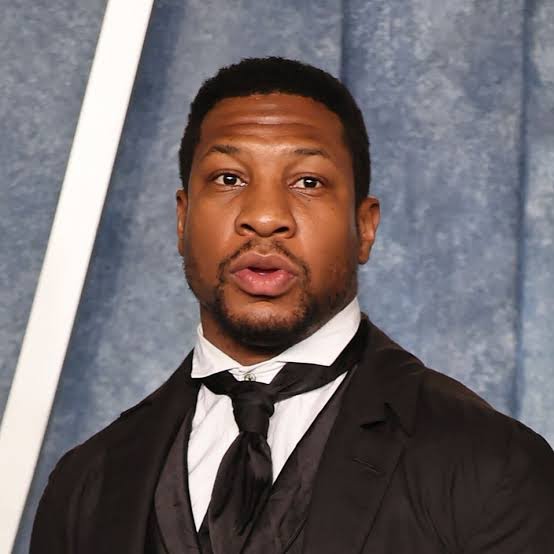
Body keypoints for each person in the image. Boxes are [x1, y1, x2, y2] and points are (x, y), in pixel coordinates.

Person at [31, 57, 554, 554]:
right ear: (183, 219)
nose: (264, 217)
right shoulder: (86, 481)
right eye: (229, 178)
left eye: (308, 182)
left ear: (364, 227)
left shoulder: (496, 465)